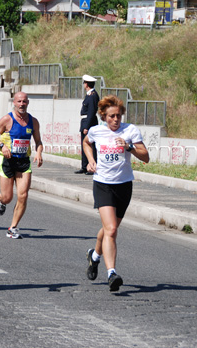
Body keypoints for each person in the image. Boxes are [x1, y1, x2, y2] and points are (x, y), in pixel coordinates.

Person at [83, 95, 149, 292]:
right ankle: (111, 273)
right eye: (111, 116)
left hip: (124, 185)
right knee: (111, 230)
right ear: (103, 116)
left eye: (118, 116)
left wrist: (129, 147)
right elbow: (86, 143)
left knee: (109, 228)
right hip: (103, 184)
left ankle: (94, 256)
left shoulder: (130, 130)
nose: (116, 120)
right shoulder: (96, 131)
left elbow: (145, 157)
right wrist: (90, 160)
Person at [0, 92, 43, 239]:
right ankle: (1, 202)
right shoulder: (7, 119)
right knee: (7, 197)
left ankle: (13, 227)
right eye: (19, 101)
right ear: (14, 102)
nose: (22, 104)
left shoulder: (33, 121)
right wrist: (2, 145)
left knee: (23, 195)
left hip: (24, 161)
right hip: (7, 161)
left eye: (24, 102)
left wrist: (38, 153)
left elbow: (38, 141)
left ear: (28, 103)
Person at [75, 75, 100, 175]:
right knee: (84, 145)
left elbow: (91, 112)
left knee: (91, 146)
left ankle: (92, 167)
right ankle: (85, 166)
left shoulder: (93, 95)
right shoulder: (89, 94)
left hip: (89, 123)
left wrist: (87, 127)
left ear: (87, 84)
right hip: (85, 122)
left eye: (84, 83)